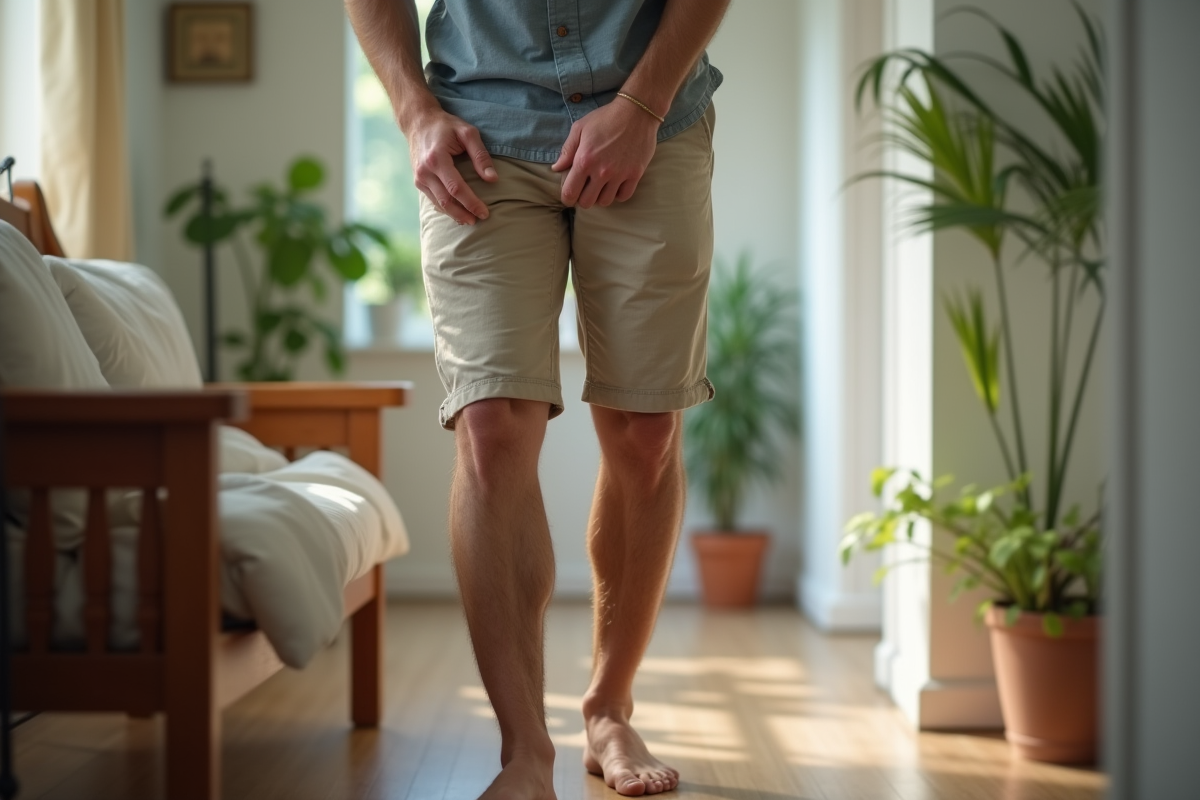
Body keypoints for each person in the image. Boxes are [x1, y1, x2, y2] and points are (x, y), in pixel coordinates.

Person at [345, 1, 729, 797]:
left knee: (646, 432)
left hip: (648, 118)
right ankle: (524, 749)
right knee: (489, 428)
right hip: (477, 132)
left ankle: (609, 708)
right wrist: (413, 112)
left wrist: (642, 105)